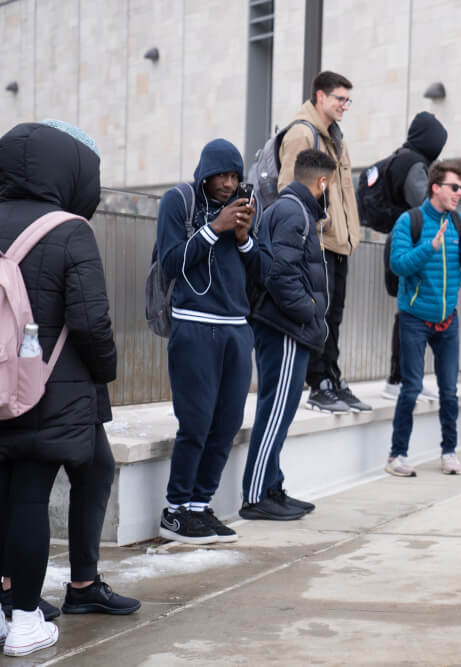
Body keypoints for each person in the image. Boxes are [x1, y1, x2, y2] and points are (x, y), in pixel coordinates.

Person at [0, 121, 138, 657]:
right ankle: (28, 620)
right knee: (32, 497)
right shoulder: (69, 229)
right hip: (47, 387)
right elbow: (89, 321)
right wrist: (104, 369)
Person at [156, 138, 265, 545]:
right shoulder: (177, 201)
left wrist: (243, 238)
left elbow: (265, 270)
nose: (228, 183)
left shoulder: (247, 209)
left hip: (237, 327)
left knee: (227, 423)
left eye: (235, 176)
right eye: (221, 174)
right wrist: (213, 228)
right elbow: (170, 263)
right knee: (196, 421)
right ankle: (175, 510)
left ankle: (200, 507)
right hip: (194, 325)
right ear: (206, 173)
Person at [384, 161, 461, 477]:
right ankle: (397, 454)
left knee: (449, 391)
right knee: (411, 388)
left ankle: (449, 451)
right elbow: (399, 264)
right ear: (436, 188)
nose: (459, 193)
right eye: (454, 187)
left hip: (448, 320)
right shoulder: (411, 221)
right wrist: (428, 248)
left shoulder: (459, 223)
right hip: (414, 319)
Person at [239, 150, 334, 521]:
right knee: (276, 411)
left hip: (286, 326)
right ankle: (257, 495)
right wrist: (309, 311)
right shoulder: (294, 212)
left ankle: (272, 486)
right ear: (322, 182)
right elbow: (281, 275)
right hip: (285, 328)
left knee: (280, 409)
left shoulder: (293, 209)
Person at [278, 71, 370, 415]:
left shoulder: (335, 137)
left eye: (348, 99)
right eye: (339, 99)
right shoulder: (302, 134)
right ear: (320, 97)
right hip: (317, 241)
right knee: (319, 314)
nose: (345, 105)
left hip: (339, 244)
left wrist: (351, 234)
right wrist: (315, 229)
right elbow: (290, 190)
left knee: (334, 315)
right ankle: (318, 383)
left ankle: (332, 376)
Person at [379, 111, 449, 401]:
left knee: (409, 312)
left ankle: (407, 378)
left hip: (400, 242)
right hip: (411, 245)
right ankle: (400, 379)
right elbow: (426, 205)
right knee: (410, 314)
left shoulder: (401, 157)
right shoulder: (414, 165)